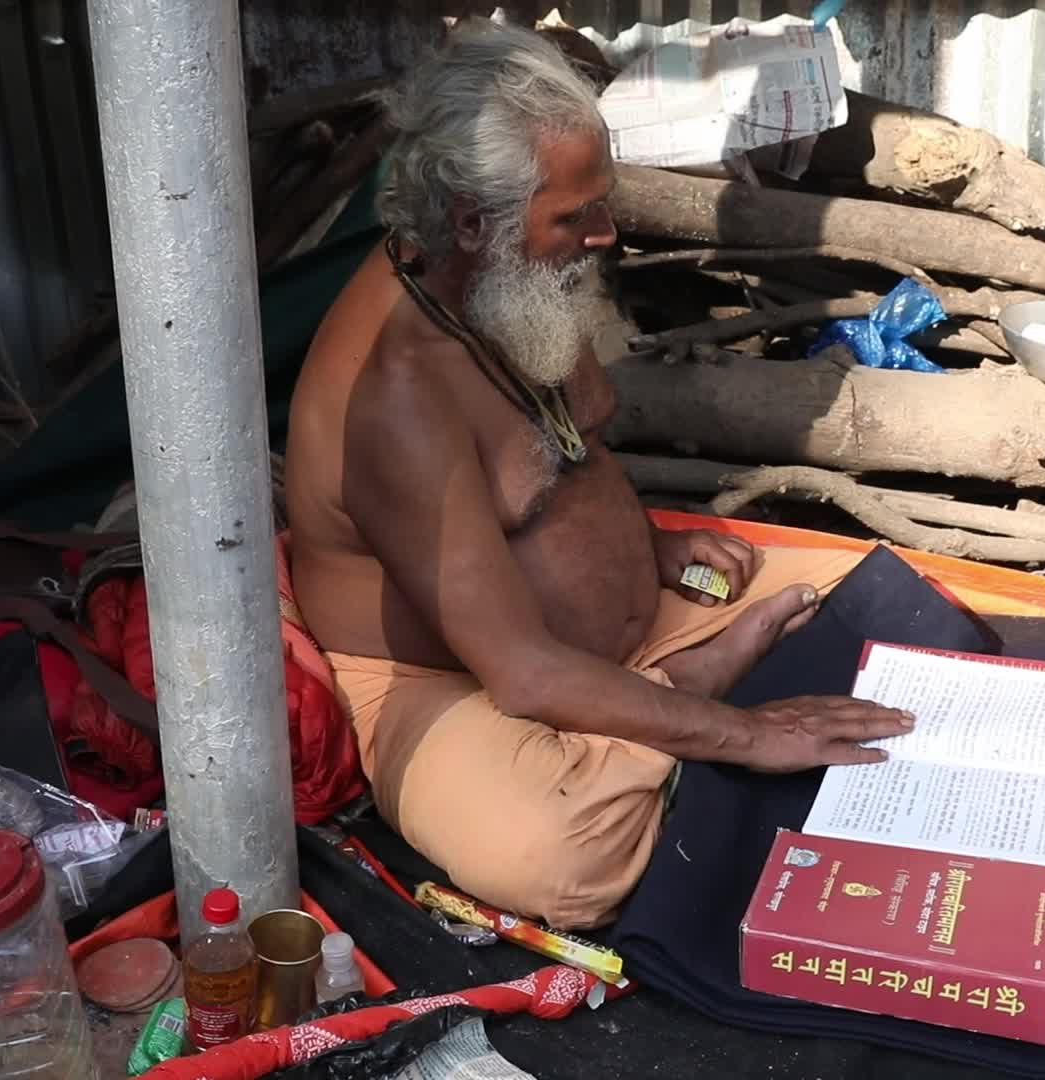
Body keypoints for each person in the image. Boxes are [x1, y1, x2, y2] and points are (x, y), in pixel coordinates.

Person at [283, 20, 911, 929]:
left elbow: (568, 454)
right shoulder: (397, 390)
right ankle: (687, 693)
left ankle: (664, 701)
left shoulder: (516, 277)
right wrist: (749, 733)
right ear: (472, 221)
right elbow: (522, 671)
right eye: (576, 216)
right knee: (559, 859)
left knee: (859, 600)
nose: (605, 235)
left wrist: (655, 550)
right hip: (458, 684)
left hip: (623, 624)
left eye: (602, 203)